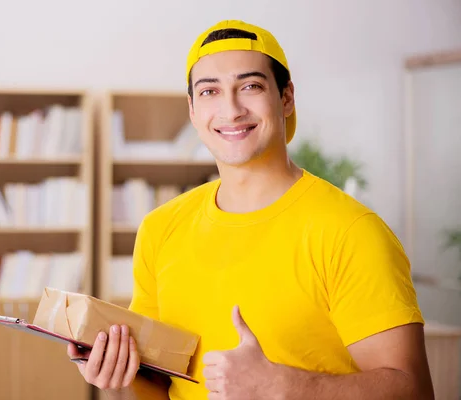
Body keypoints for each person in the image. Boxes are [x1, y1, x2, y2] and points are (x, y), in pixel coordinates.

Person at [67, 19, 435, 399]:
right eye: (210, 91)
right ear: (193, 110)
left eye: (250, 86)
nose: (231, 109)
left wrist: (285, 387)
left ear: (286, 97)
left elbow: (414, 391)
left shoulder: (351, 231)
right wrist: (118, 371)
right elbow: (159, 381)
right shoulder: (160, 228)